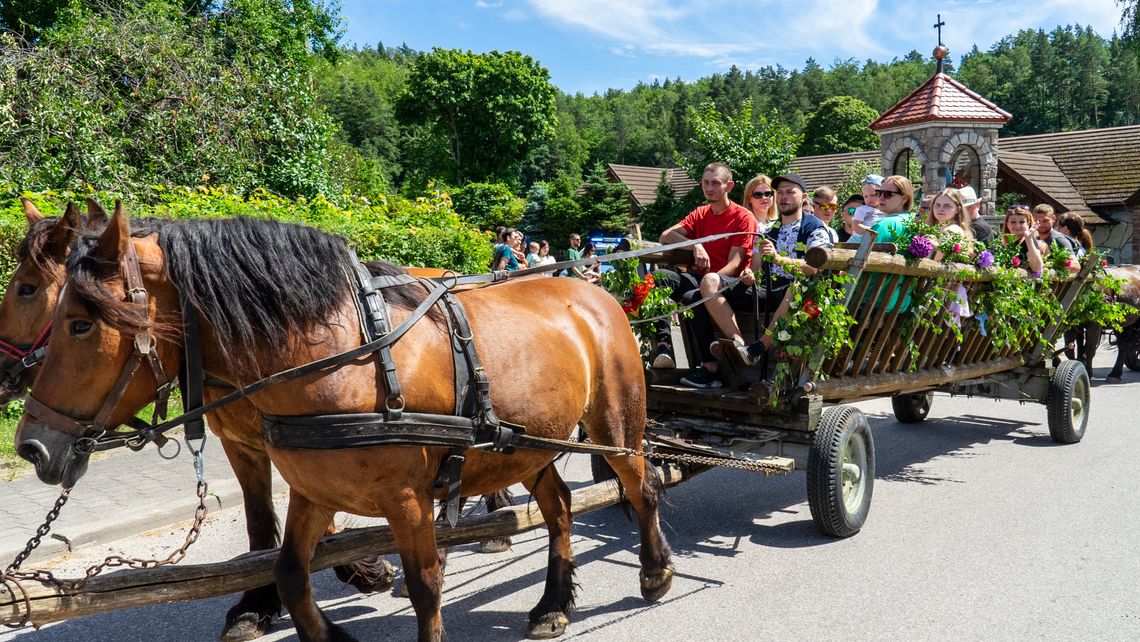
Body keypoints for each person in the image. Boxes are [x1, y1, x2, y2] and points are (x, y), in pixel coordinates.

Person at [699, 173, 833, 375]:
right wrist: (747, 274)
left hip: (799, 294)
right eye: (780, 193)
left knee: (796, 288)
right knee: (709, 281)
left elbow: (813, 267)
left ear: (804, 197)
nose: (783, 197)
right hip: (769, 290)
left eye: (790, 192)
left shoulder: (815, 228)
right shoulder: (769, 230)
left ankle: (759, 347)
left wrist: (779, 259)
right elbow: (754, 265)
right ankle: (738, 344)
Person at [651, 162, 756, 378]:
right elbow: (665, 236)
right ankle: (663, 346)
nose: (710, 188)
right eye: (706, 183)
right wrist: (695, 244)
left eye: (716, 183)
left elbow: (735, 264)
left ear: (729, 186)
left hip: (730, 284)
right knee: (657, 279)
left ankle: (709, 367)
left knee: (693, 296)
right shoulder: (700, 213)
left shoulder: (743, 217)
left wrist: (711, 281)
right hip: (699, 278)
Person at [926, 188, 974, 261]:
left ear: (957, 209)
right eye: (937, 205)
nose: (940, 209)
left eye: (947, 206)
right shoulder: (934, 228)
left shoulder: (952, 230)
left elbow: (936, 260)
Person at [1001, 205, 1046, 274]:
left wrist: (1028, 239)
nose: (1017, 226)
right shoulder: (1002, 243)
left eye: (1022, 222)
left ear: (1028, 223)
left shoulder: (1029, 241)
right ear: (1007, 224)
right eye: (1013, 222)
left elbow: (1037, 268)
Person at [849, 174, 885, 243]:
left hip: (873, 241)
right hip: (858, 240)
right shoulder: (862, 209)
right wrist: (872, 231)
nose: (869, 199)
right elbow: (856, 226)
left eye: (873, 195)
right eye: (865, 196)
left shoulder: (884, 210)